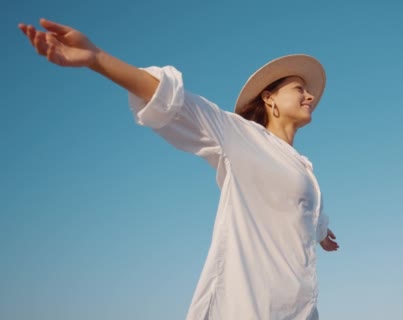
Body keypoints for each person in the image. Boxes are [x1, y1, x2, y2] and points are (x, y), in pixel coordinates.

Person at [19, 18, 339, 320]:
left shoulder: (303, 167)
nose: (309, 95)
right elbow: (174, 101)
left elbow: (309, 210)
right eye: (299, 88)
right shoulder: (240, 136)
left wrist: (322, 232)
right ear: (269, 98)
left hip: (300, 311)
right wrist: (96, 58)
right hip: (249, 307)